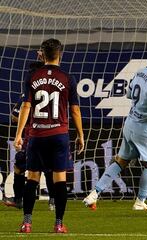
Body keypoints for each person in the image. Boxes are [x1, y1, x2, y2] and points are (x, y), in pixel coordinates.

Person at [83, 44, 147, 210]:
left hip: (130, 124)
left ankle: (94, 194)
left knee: (121, 160)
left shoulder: (140, 72)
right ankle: (140, 202)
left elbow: (129, 94)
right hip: (146, 129)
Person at [14, 38, 84, 233]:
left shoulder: (32, 76)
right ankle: (59, 224)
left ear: (42, 54)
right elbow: (75, 110)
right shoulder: (67, 77)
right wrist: (80, 134)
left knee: (32, 178)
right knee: (59, 179)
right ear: (60, 54)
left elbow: (26, 106)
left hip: (36, 135)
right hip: (59, 134)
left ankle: (27, 223)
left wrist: (19, 134)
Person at [4, 51, 56, 211]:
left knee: (21, 166)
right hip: (53, 134)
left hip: (33, 136)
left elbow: (15, 116)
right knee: (48, 168)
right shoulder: (55, 87)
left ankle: (19, 199)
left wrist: (22, 122)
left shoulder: (29, 91)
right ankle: (53, 201)